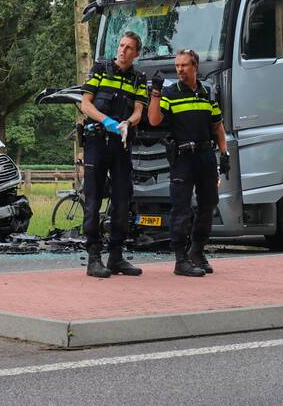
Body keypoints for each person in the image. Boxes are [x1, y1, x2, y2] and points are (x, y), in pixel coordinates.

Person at [148, 49, 228, 276]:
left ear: (195, 67)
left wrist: (225, 154)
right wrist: (156, 92)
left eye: (184, 65)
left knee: (208, 205)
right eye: (177, 66)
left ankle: (197, 252)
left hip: (205, 157)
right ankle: (180, 260)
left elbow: (218, 126)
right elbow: (154, 120)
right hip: (183, 158)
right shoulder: (170, 94)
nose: (180, 70)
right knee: (181, 208)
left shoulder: (206, 93)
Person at [79, 31, 148, 278]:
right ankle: (94, 258)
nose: (123, 50)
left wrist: (128, 123)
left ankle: (116, 256)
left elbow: (139, 110)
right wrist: (107, 121)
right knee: (94, 199)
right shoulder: (100, 69)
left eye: (129, 48)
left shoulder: (139, 79)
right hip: (97, 141)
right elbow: (85, 104)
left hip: (122, 143)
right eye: (121, 46)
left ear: (136, 53)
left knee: (122, 200)